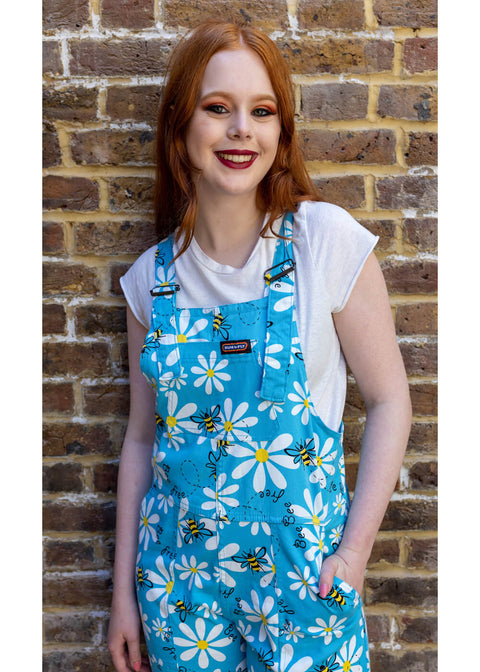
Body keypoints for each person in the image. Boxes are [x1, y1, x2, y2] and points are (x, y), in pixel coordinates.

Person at [107, 19, 412, 672]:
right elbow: (140, 440)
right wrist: (124, 597)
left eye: (262, 111)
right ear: (180, 127)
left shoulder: (321, 244)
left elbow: (391, 401)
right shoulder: (149, 283)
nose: (242, 129)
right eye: (218, 108)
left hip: (306, 591)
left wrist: (353, 556)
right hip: (181, 596)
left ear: (280, 131)